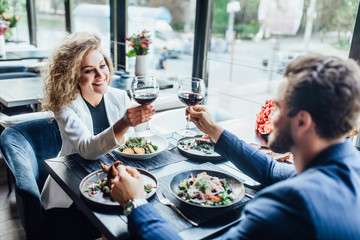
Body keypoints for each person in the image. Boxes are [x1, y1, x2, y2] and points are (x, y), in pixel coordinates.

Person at [110, 55, 360, 239]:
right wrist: (215, 131)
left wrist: (135, 202)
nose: (271, 116)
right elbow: (272, 171)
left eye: (279, 107)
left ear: (303, 121)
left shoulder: (288, 206)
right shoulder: (351, 165)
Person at [40, 32, 155, 239]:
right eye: (89, 71)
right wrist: (125, 122)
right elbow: (87, 149)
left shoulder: (120, 97)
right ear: (73, 75)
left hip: (111, 182)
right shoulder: (65, 106)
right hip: (71, 190)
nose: (100, 75)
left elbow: (141, 137)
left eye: (102, 66)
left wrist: (144, 119)